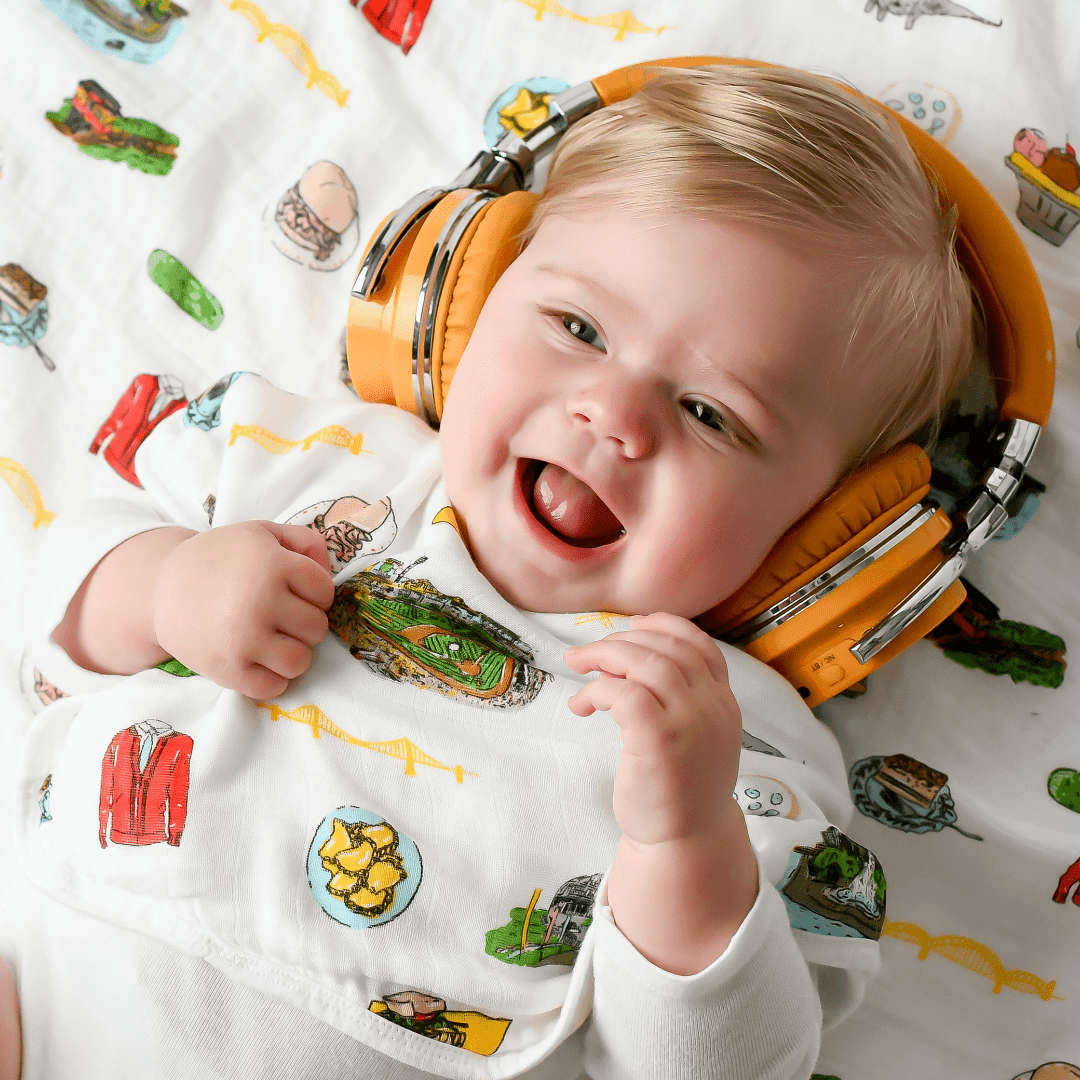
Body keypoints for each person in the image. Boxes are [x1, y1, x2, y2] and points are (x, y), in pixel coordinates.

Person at [0, 63, 974, 1080]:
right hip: (53, 992)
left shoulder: (738, 747)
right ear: (457, 305)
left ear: (822, 532)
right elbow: (50, 623)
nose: (614, 415)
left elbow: (722, 1068)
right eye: (580, 329)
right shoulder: (308, 464)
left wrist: (685, 844)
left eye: (711, 415)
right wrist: (164, 586)